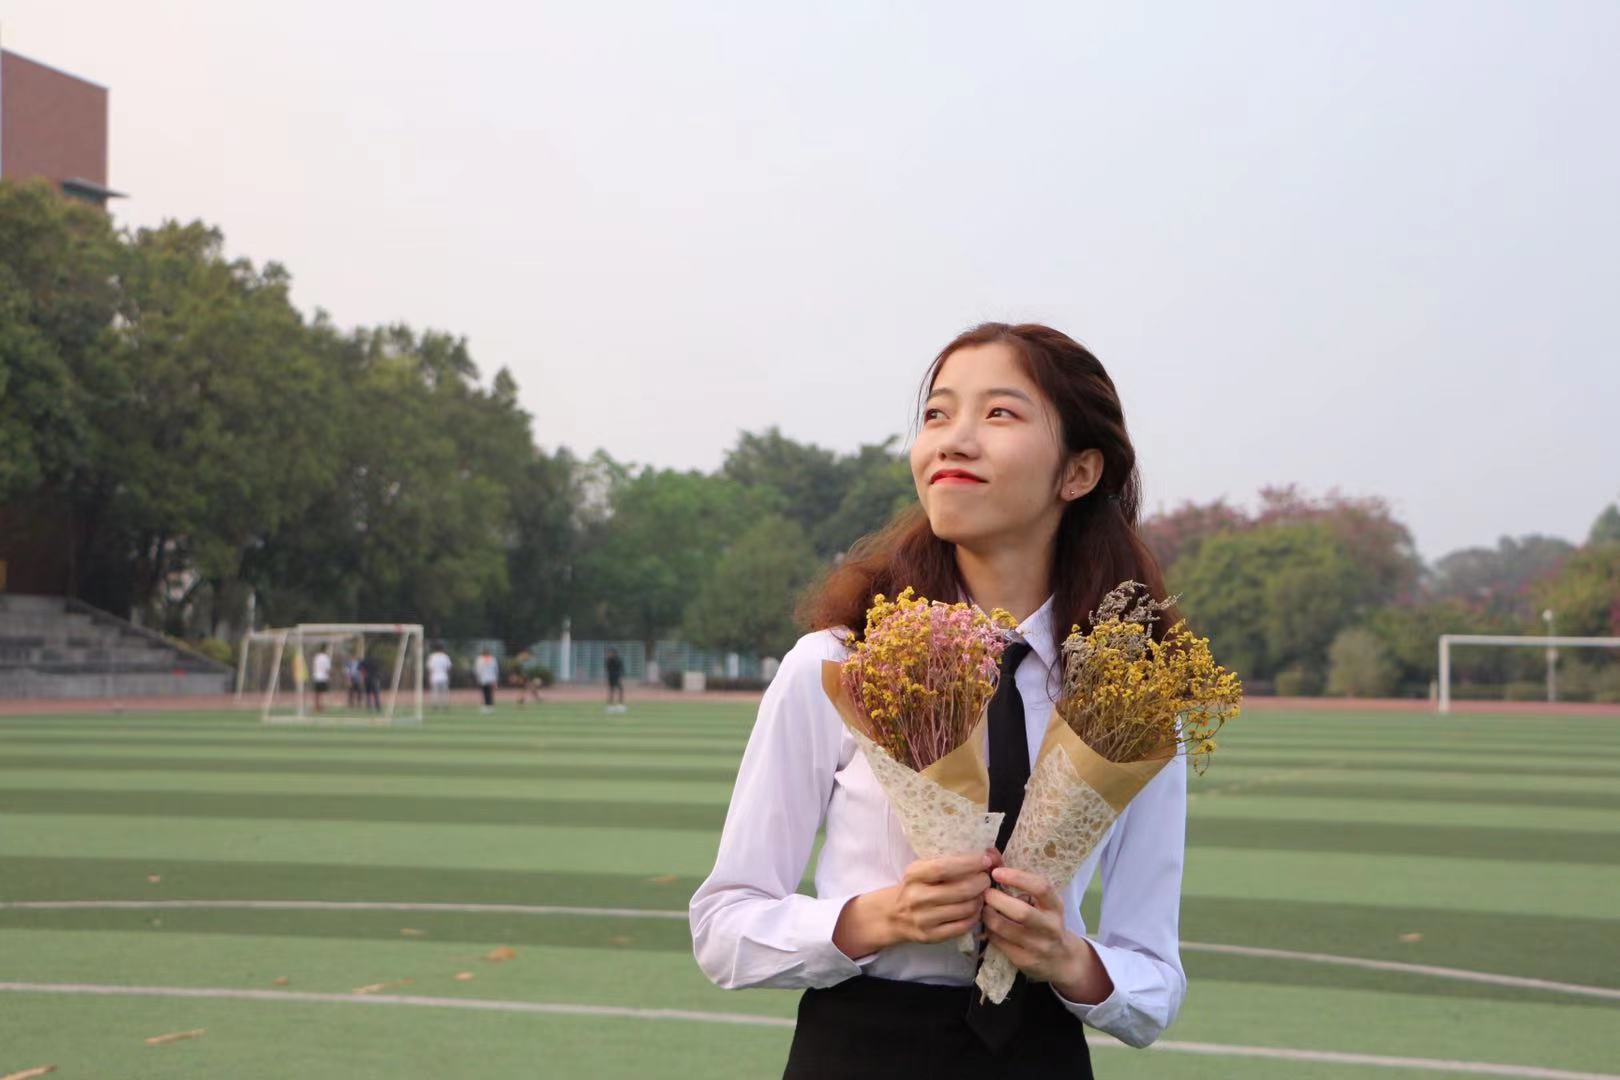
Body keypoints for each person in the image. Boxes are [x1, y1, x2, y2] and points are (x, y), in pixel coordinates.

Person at [689, 324, 1188, 1077]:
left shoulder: (1131, 698)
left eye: (999, 413)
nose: (953, 440)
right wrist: (876, 918)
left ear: (1079, 471)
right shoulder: (839, 664)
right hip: (856, 1053)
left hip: (1042, 1056)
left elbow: (1155, 981)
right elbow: (724, 928)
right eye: (936, 414)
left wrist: (1070, 959)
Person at [426, 643, 453, 711]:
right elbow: (449, 668)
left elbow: (430, 668)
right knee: (444, 693)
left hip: (435, 677)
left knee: (435, 693)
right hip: (444, 677)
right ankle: (445, 706)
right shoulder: (445, 657)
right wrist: (449, 677)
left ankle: (435, 706)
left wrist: (429, 677)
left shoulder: (432, 657)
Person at [474, 647, 499, 714]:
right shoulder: (491, 659)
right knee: (487, 693)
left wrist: (478, 678)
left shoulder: (480, 659)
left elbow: (477, 670)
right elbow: (496, 670)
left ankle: (488, 706)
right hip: (488, 678)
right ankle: (488, 706)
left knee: (487, 693)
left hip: (486, 678)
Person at [310, 645, 332, 714]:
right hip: (323, 677)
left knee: (316, 694)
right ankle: (321, 707)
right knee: (322, 693)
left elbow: (314, 667)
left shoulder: (317, 657)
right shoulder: (326, 657)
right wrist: (329, 676)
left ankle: (316, 707)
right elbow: (327, 669)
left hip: (316, 677)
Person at [604, 647, 626, 713]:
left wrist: (620, 677)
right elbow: (607, 669)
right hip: (611, 677)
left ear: (614, 653)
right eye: (608, 653)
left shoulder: (618, 660)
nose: (609, 654)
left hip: (617, 677)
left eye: (610, 653)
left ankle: (620, 704)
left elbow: (621, 669)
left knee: (620, 690)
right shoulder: (608, 660)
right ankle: (610, 705)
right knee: (611, 691)